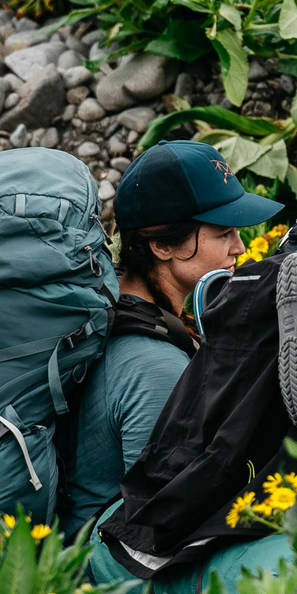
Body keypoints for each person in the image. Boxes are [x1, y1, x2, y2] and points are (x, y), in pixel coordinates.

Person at [60, 139, 280, 536]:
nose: (240, 247)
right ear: (162, 245)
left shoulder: (117, 307)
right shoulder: (154, 365)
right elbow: (158, 520)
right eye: (224, 233)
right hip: (100, 562)